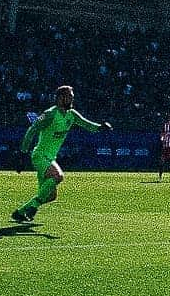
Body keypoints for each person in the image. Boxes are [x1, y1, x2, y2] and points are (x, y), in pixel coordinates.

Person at [11, 85, 111, 222]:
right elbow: (32, 130)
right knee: (58, 176)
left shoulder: (72, 115)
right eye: (69, 96)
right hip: (40, 155)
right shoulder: (50, 114)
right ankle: (33, 207)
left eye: (72, 96)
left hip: (50, 158)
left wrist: (100, 127)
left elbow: (87, 125)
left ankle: (20, 212)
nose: (72, 99)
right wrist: (22, 154)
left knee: (50, 196)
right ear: (60, 98)